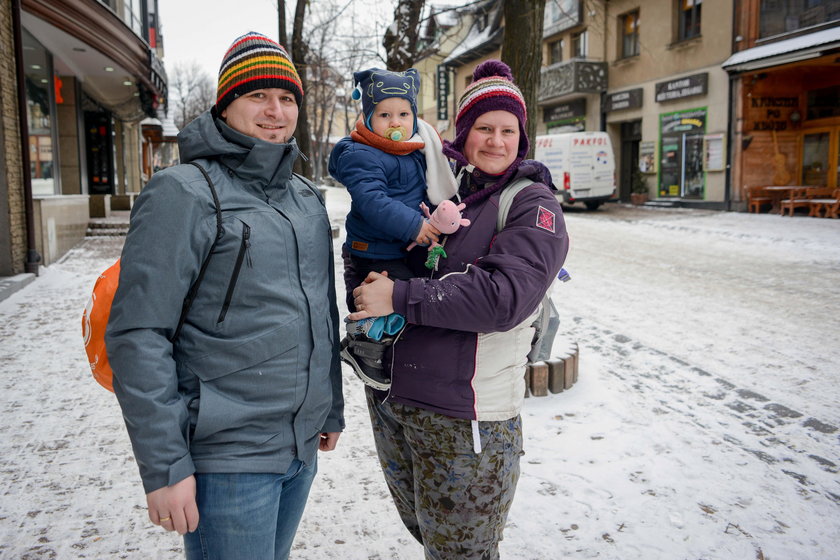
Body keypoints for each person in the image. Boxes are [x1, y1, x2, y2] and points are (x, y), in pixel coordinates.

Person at [105, 31, 344, 560]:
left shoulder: (305, 198)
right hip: (227, 457)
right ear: (226, 104)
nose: (275, 111)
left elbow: (319, 312)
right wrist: (166, 467)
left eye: (286, 98)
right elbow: (138, 333)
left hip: (298, 450)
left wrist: (329, 407)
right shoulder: (184, 192)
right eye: (257, 95)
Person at [347, 60, 569, 559]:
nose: (496, 141)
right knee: (431, 539)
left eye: (508, 130)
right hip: (396, 403)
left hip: (466, 420)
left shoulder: (532, 205)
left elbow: (503, 298)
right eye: (484, 128)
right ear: (464, 134)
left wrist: (399, 297)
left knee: (463, 552)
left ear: (522, 137)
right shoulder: (442, 192)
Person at [329, 67, 457, 390]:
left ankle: (387, 345)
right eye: (384, 114)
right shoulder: (361, 154)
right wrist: (415, 225)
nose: (395, 122)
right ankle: (362, 345)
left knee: (418, 292)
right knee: (387, 296)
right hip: (372, 249)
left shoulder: (412, 150)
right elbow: (373, 202)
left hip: (397, 245)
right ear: (368, 117)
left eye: (403, 113)